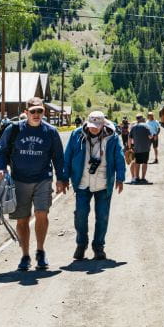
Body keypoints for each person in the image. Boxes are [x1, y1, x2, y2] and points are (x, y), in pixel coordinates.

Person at [0, 97, 66, 271]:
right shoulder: (14, 129)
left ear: (43, 112)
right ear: (26, 112)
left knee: (42, 214)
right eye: (32, 111)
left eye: (39, 111)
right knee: (22, 219)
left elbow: (58, 157)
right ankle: (25, 255)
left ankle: (40, 252)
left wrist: (61, 179)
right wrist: (3, 168)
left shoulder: (50, 132)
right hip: (19, 180)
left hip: (43, 179)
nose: (36, 114)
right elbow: (0, 151)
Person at [62, 110, 125, 261]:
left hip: (103, 183)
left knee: (102, 217)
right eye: (91, 125)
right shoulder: (76, 135)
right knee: (81, 215)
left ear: (103, 124)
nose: (93, 128)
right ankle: (81, 244)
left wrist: (120, 178)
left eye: (97, 126)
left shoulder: (112, 137)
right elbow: (68, 156)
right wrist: (64, 177)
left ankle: (98, 247)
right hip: (82, 182)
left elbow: (119, 157)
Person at [127, 114, 153, 184]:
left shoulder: (133, 127)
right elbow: (150, 136)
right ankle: (143, 178)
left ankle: (137, 178)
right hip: (145, 148)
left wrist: (129, 148)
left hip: (137, 148)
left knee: (137, 163)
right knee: (144, 163)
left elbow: (129, 138)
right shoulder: (146, 126)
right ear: (141, 119)